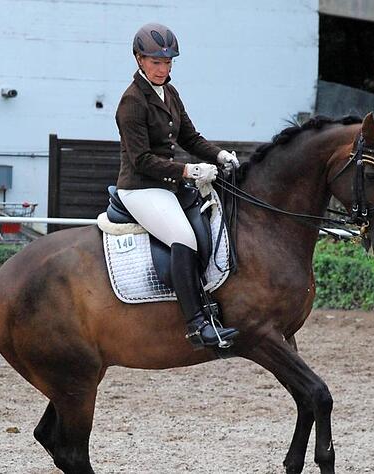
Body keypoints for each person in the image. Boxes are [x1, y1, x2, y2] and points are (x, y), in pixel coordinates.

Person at [115, 23, 241, 348]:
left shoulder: (169, 92)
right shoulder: (131, 102)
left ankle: (211, 301)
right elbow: (142, 160)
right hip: (141, 187)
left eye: (168, 62)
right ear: (139, 59)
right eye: (156, 62)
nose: (163, 68)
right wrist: (189, 171)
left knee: (211, 224)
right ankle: (197, 325)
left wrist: (220, 155)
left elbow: (189, 137)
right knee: (183, 237)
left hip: (168, 185)